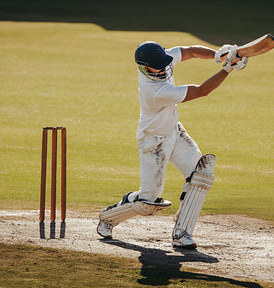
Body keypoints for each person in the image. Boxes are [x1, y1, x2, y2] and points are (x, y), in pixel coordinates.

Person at [97, 41, 248, 249]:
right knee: (148, 202)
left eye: (163, 62)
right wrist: (228, 68)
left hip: (174, 133)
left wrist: (218, 55)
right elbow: (202, 91)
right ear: (144, 67)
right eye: (157, 65)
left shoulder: (162, 60)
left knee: (200, 175)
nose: (163, 67)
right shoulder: (154, 91)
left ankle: (182, 232)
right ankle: (108, 217)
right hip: (153, 142)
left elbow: (189, 52)